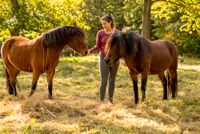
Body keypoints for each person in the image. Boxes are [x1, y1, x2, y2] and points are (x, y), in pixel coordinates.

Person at [88, 15, 120, 103]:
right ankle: (101, 100)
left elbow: (121, 47)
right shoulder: (100, 33)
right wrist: (90, 51)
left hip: (114, 60)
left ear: (110, 22)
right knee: (104, 80)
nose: (103, 26)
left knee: (112, 79)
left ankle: (110, 99)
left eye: (105, 23)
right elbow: (98, 46)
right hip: (103, 58)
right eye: (102, 24)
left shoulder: (117, 33)